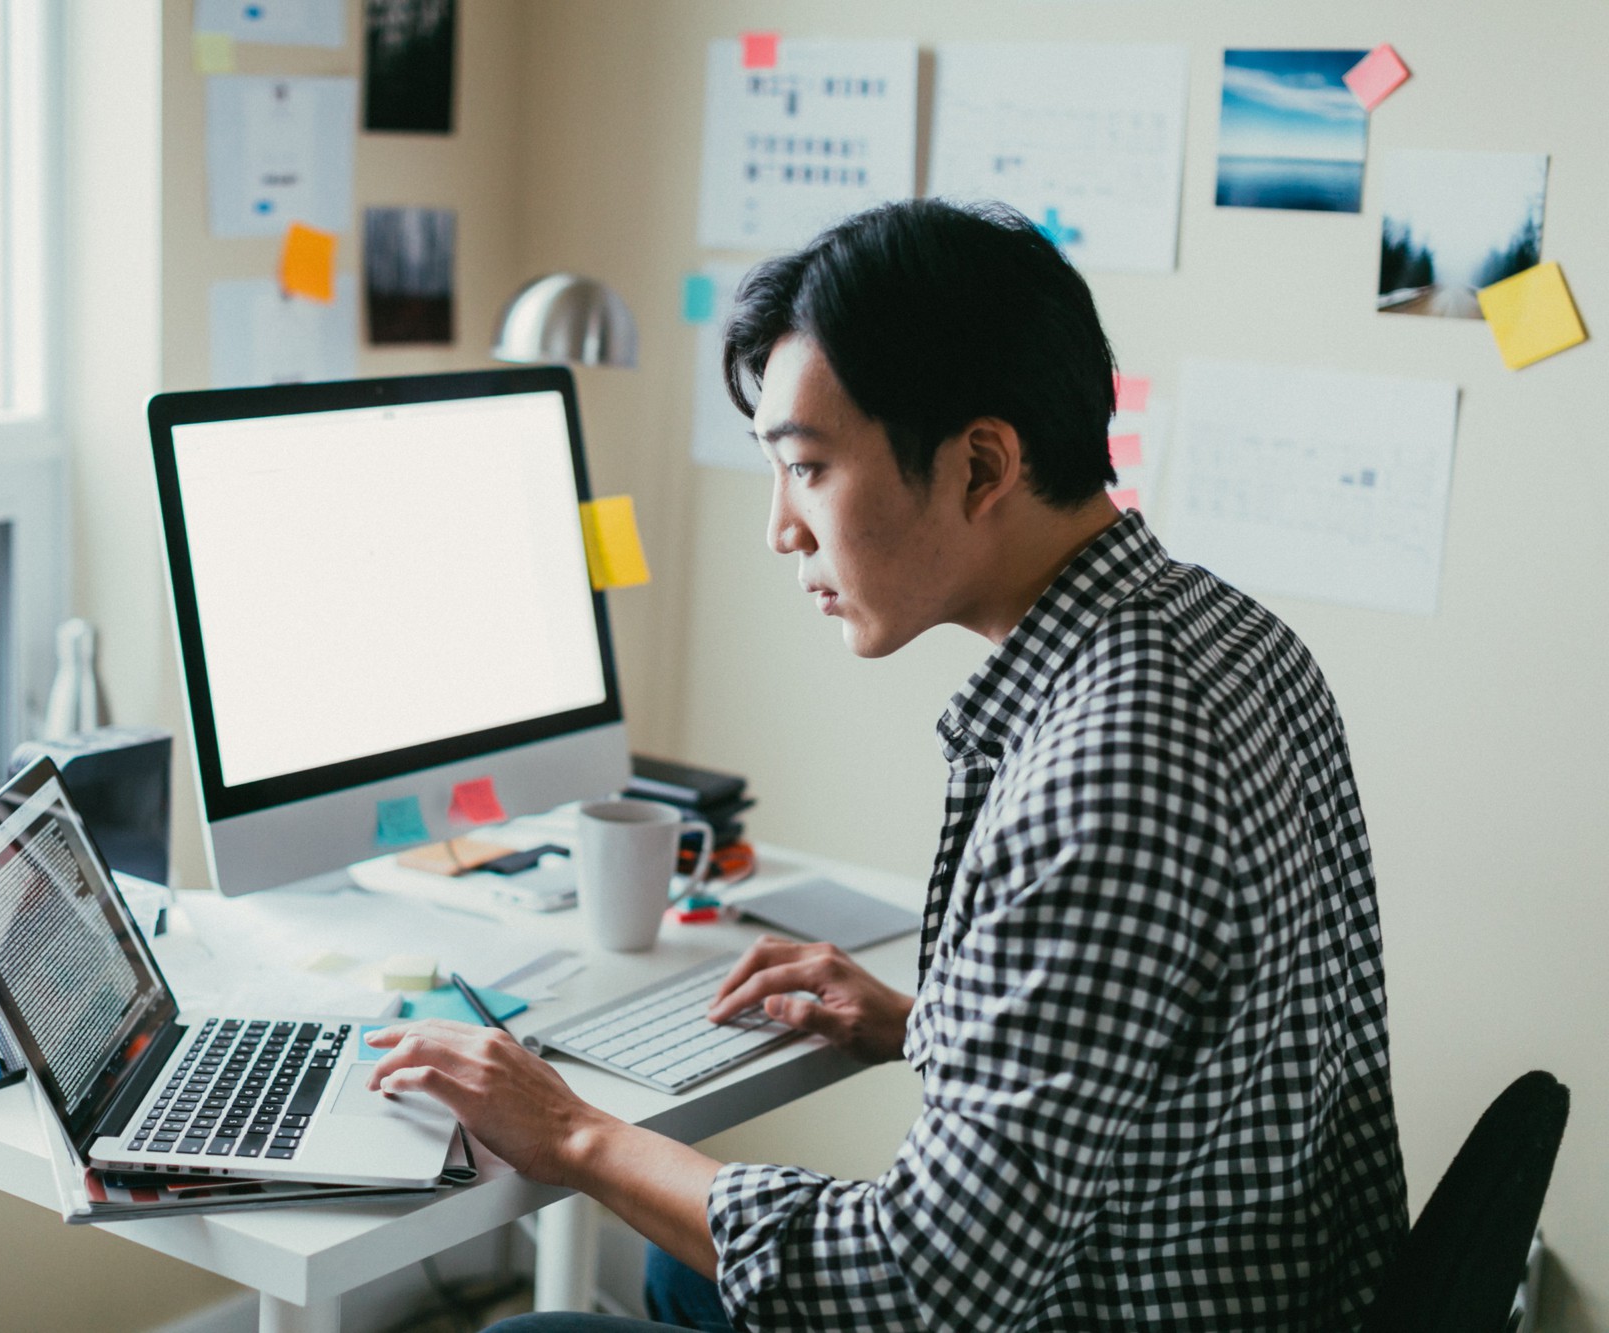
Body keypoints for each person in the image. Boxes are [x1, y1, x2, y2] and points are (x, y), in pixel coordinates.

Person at [362, 198, 1408, 1331]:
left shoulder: (1104, 765)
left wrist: (572, 1133)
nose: (781, 529)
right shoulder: (1225, 632)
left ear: (980, 465)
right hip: (1252, 1276)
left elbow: (919, 1285)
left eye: (805, 467)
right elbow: (1183, 1049)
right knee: (678, 1270)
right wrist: (930, 1021)